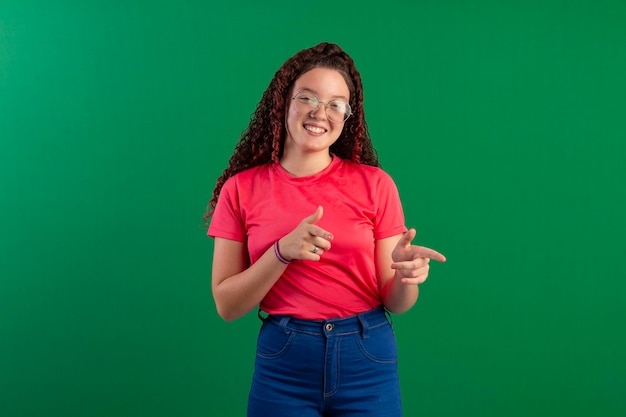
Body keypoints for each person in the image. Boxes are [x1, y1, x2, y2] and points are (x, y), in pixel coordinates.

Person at [204, 42, 446, 417]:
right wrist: (281, 252)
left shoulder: (376, 185)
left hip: (367, 358)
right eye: (308, 98)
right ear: (284, 101)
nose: (321, 113)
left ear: (348, 116)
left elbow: (397, 303)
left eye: (336, 104)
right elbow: (227, 305)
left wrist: (406, 276)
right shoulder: (241, 189)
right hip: (284, 361)